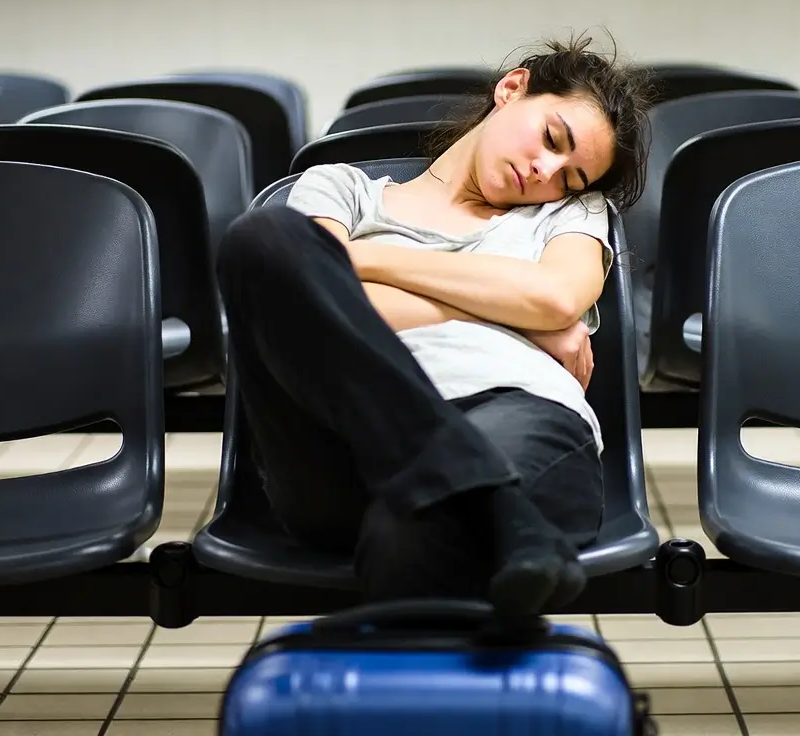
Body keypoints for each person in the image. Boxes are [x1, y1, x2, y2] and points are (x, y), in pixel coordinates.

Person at [217, 34, 652, 616]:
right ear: (512, 87)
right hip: (335, 446)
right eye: (552, 138)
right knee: (260, 239)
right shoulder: (340, 187)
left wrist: (352, 264)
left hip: (514, 411)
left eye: (569, 175)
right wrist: (509, 313)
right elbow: (296, 300)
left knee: (416, 532)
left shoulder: (571, 213)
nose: (546, 171)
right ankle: (496, 502)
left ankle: (470, 503)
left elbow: (553, 298)